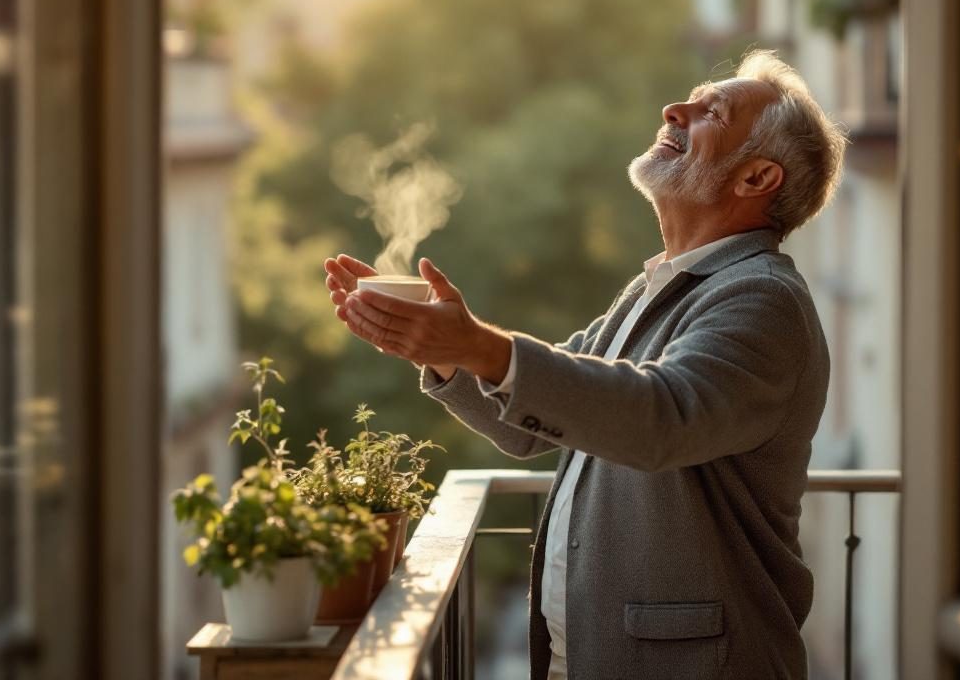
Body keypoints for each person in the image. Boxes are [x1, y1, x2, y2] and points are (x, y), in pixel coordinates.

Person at [323, 50, 847, 679]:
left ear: (757, 178)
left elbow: (660, 417)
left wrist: (475, 344)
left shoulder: (762, 298)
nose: (673, 110)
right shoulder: (654, 287)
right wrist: (443, 352)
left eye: (713, 112)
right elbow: (530, 426)